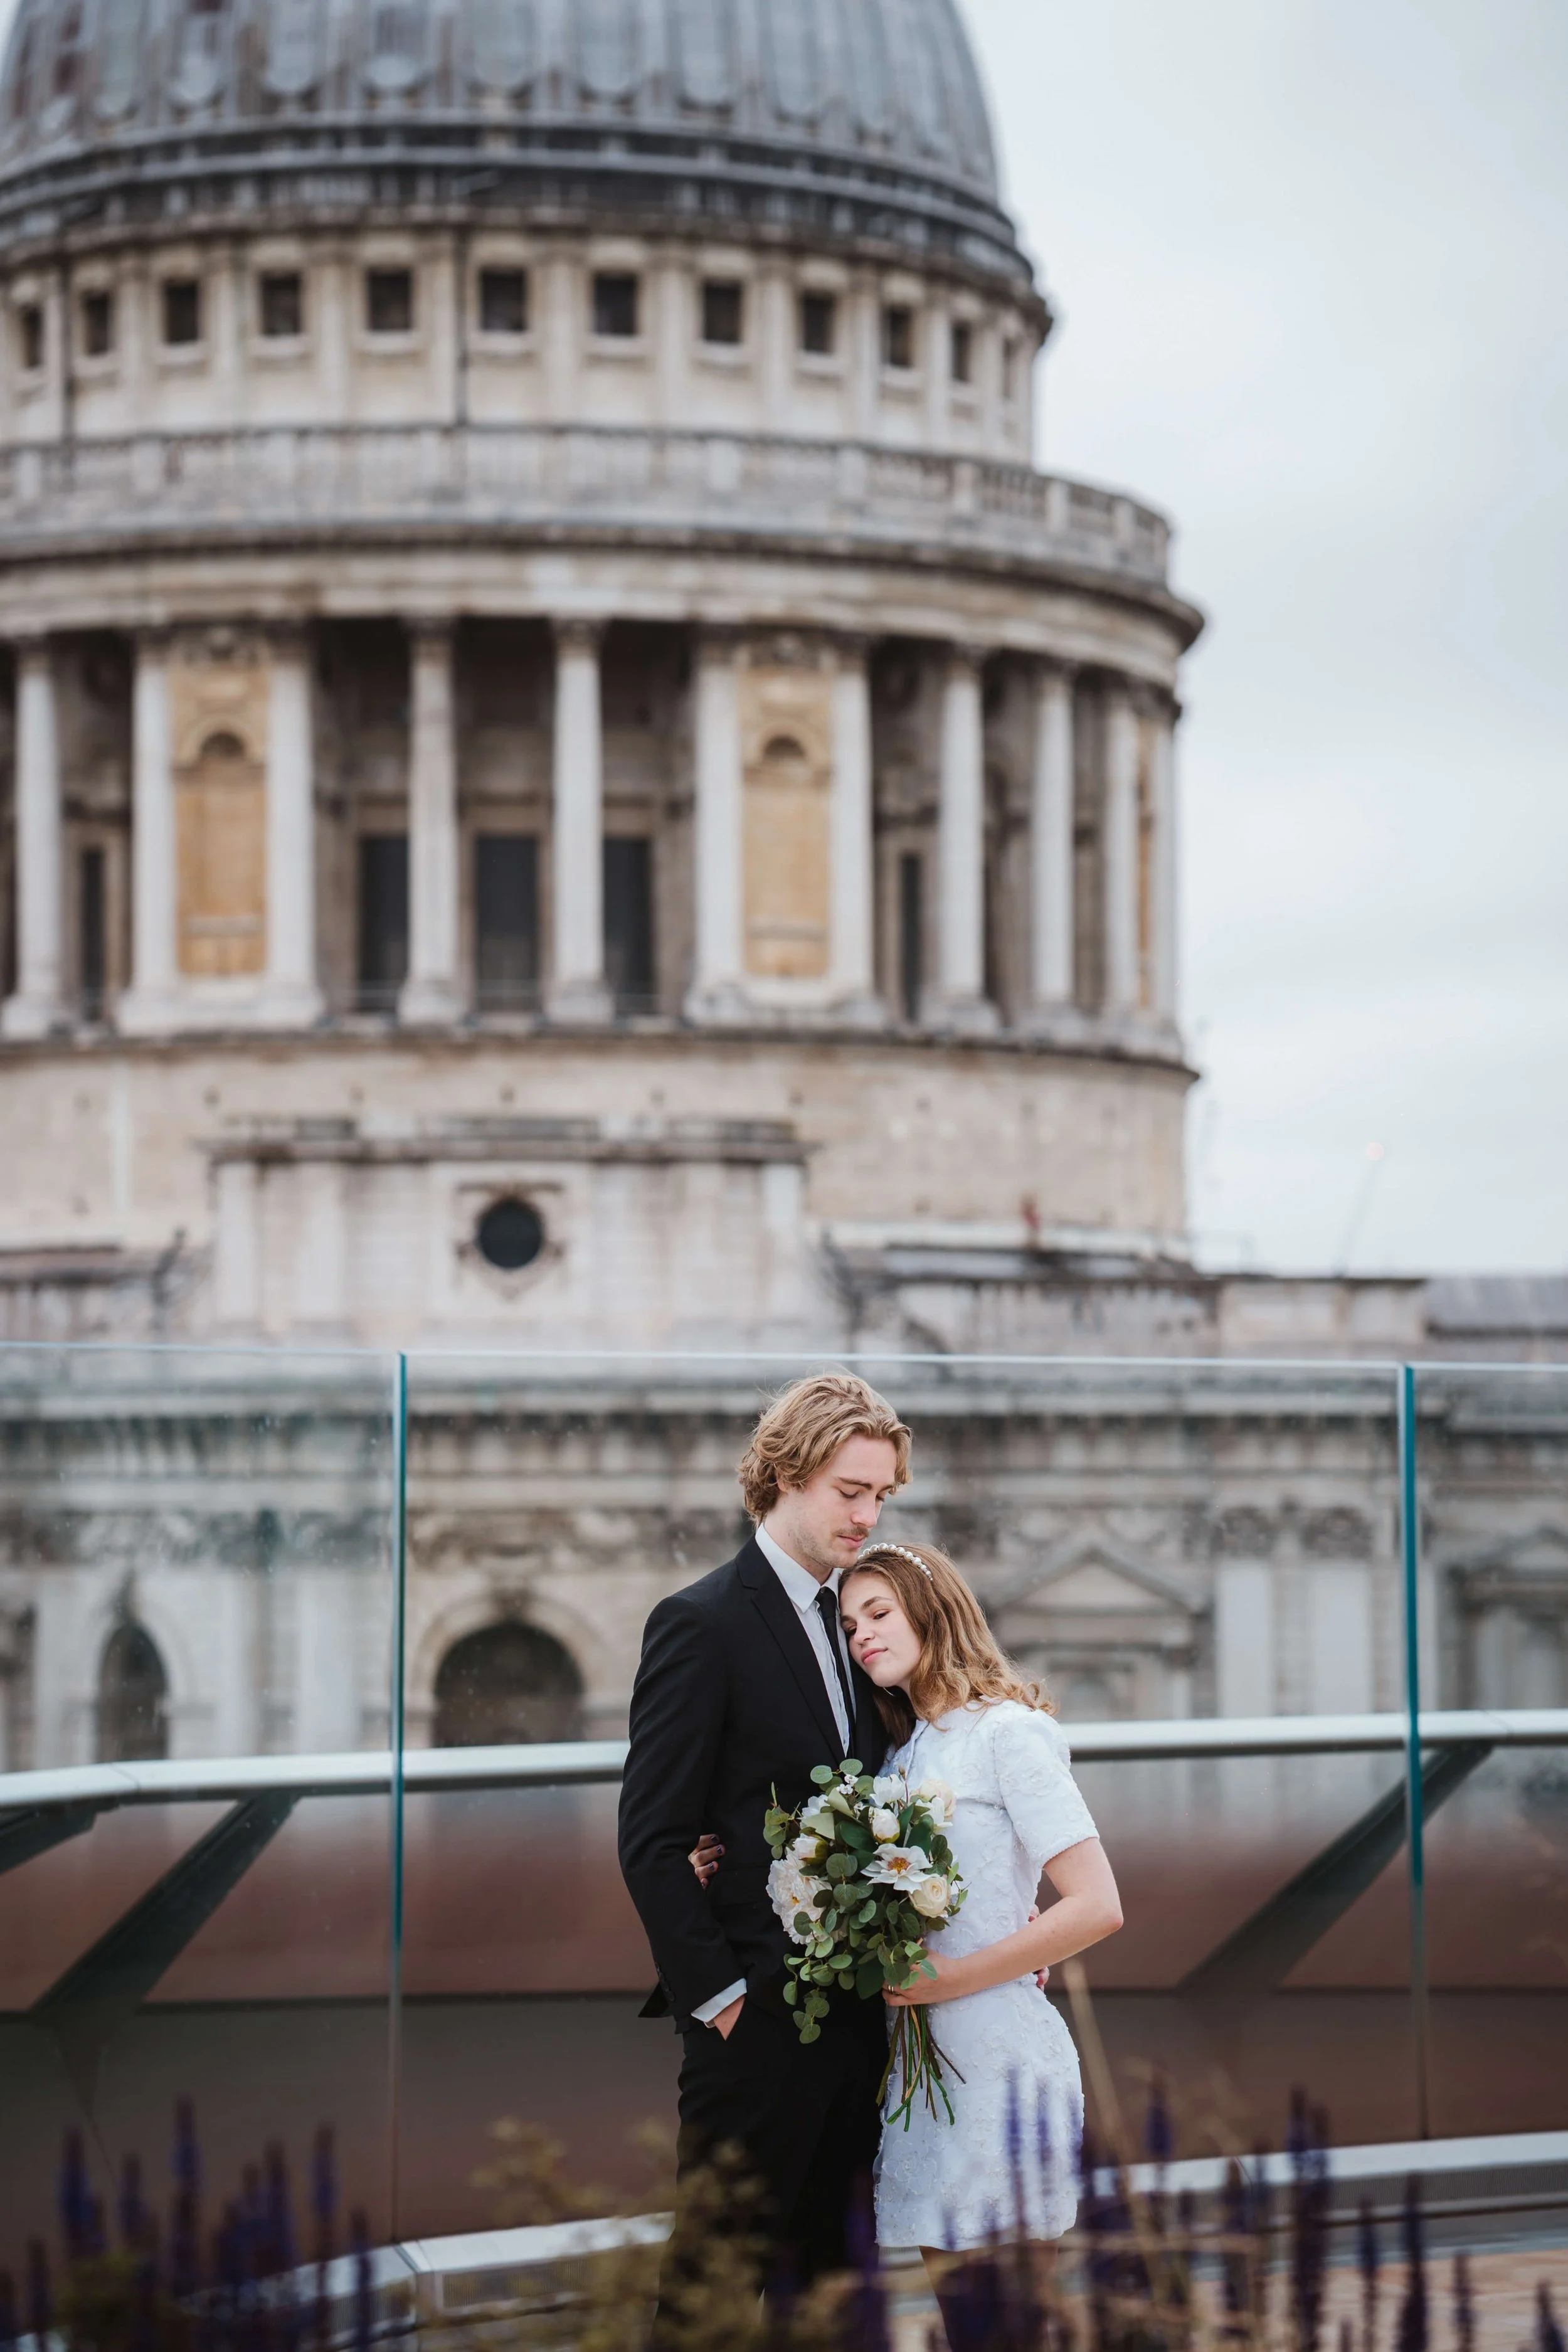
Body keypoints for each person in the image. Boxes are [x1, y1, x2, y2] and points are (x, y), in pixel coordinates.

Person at [617, 1372, 912, 2289]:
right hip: (752, 2035)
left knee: (835, 2296)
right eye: (850, 1491)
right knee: (716, 2294)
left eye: (881, 1495)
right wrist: (725, 2006)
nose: (868, 1515)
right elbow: (652, 1837)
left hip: (860, 2027)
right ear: (786, 1473)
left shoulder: (859, 1622)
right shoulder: (699, 1622)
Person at [837, 1539, 1122, 2309]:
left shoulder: (1008, 1733)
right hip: (921, 2074)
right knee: (966, 2326)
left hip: (999, 2062)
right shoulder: (899, 1759)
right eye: (849, 1623)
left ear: (931, 1611)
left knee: (1014, 2326)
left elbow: (1097, 1903)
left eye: (878, 1611)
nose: (861, 1634)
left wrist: (950, 1978)